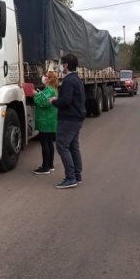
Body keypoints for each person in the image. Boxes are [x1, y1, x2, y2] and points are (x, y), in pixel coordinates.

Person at [51, 53, 86, 189]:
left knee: (62, 146)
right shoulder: (76, 79)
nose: (60, 66)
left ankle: (70, 177)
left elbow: (65, 101)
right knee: (73, 146)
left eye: (61, 63)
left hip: (68, 118)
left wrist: (54, 101)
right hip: (76, 118)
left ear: (66, 65)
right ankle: (77, 175)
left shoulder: (69, 81)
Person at [33, 71, 59, 175]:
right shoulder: (53, 89)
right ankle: (50, 165)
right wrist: (39, 94)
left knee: (45, 143)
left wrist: (35, 94)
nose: (43, 77)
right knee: (49, 143)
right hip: (50, 120)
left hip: (45, 120)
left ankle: (45, 167)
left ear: (49, 79)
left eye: (46, 76)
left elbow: (42, 102)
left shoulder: (49, 90)